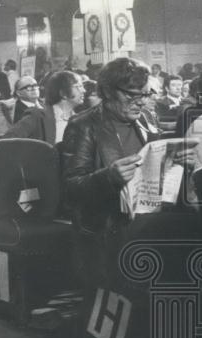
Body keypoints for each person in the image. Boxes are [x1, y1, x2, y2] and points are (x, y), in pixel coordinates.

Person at [61, 58, 192, 287]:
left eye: (145, 94)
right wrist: (108, 177)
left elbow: (155, 168)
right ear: (109, 91)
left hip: (147, 214)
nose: (141, 102)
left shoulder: (147, 119)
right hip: (108, 221)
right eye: (132, 95)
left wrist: (177, 162)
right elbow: (71, 188)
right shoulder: (83, 125)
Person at [5, 70, 84, 144]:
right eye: (78, 86)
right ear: (63, 93)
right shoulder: (37, 116)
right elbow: (8, 141)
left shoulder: (79, 119)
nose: (84, 90)